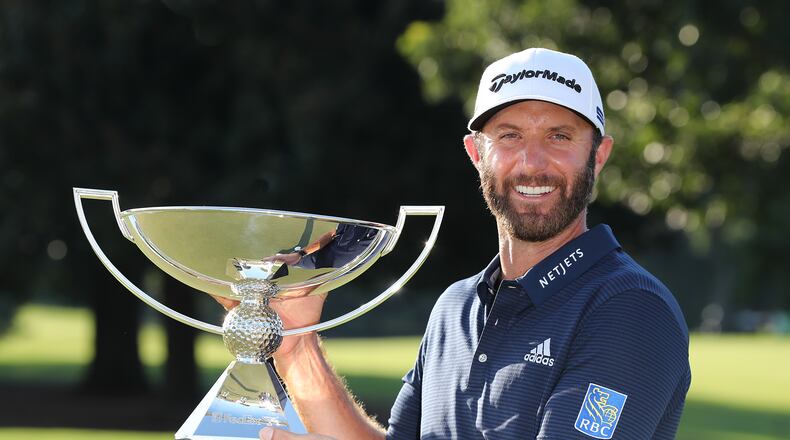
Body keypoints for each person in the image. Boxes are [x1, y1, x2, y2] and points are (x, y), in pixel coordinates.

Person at [257, 48, 691, 440]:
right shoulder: (455, 307)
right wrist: (297, 346)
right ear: (476, 153)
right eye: (510, 136)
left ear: (598, 155)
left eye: (559, 136)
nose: (533, 163)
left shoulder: (629, 307)